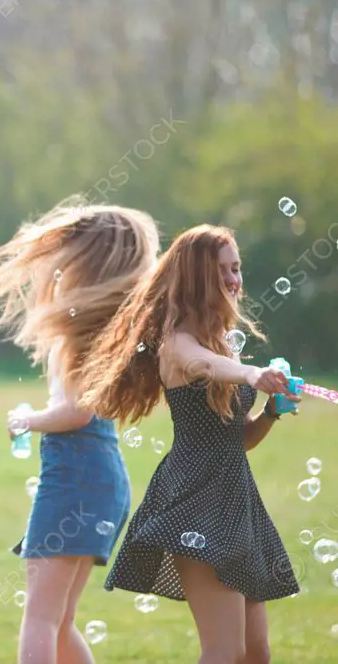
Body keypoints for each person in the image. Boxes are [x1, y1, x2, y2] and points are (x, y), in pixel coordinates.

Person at [78, 224, 301, 664]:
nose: (235, 280)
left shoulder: (223, 346)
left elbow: (237, 442)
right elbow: (203, 364)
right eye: (223, 271)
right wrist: (252, 374)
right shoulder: (177, 342)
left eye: (237, 268)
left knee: (256, 653)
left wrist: (272, 412)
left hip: (236, 500)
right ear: (199, 278)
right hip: (193, 501)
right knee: (224, 651)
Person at [0, 197, 161, 664]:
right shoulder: (108, 327)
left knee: (40, 618)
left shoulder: (84, 331)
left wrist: (28, 420)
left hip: (76, 478)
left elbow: (77, 411)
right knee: (58, 621)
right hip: (100, 479)